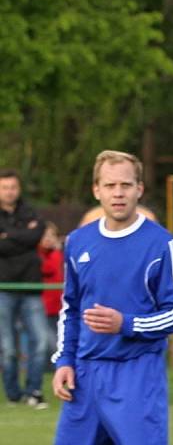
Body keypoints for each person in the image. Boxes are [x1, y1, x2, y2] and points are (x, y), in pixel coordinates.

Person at [51, 150, 173, 445]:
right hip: (84, 375)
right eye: (110, 186)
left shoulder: (161, 244)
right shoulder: (77, 242)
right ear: (96, 190)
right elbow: (70, 309)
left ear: (139, 189)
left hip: (136, 373)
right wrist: (64, 360)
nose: (118, 193)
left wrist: (126, 323)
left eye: (126, 185)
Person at [0, 169, 48, 409]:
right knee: (8, 348)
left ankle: (34, 391)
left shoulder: (31, 211)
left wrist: (9, 236)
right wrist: (24, 235)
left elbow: (36, 236)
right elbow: (27, 238)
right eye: (5, 187)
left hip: (31, 287)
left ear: (19, 189)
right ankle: (13, 395)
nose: (9, 192)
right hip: (4, 288)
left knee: (41, 342)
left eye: (13, 187)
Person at [37, 221, 64, 360]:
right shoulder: (38, 255)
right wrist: (57, 252)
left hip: (58, 305)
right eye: (44, 235)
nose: (48, 238)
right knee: (49, 341)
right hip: (43, 306)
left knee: (58, 337)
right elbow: (48, 268)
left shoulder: (59, 254)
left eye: (52, 235)